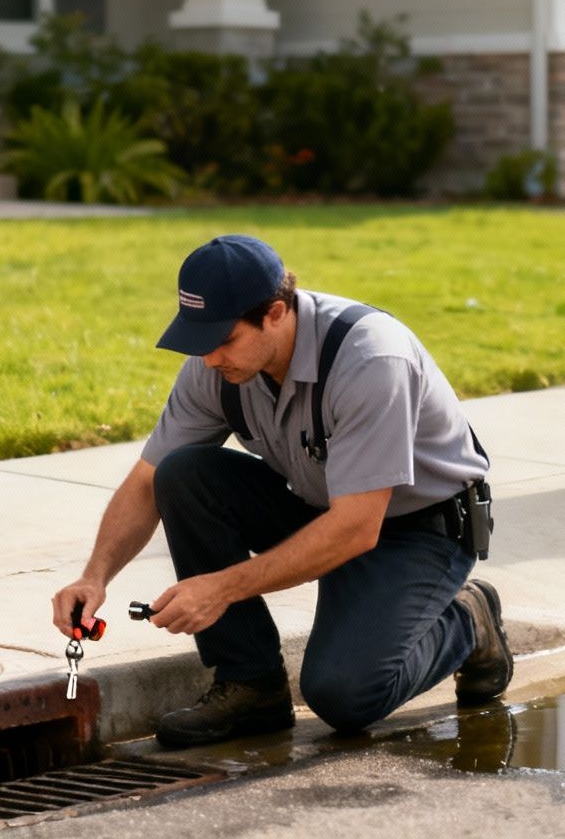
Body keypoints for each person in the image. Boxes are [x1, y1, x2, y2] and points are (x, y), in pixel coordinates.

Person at [51, 234, 511, 748]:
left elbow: (357, 528)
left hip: (418, 530)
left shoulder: (370, 359)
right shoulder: (219, 366)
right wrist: (94, 578)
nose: (208, 359)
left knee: (345, 696)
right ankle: (250, 685)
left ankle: (468, 617)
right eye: (198, 340)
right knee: (182, 475)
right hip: (324, 507)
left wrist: (220, 588)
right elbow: (146, 482)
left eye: (222, 339)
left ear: (274, 313)